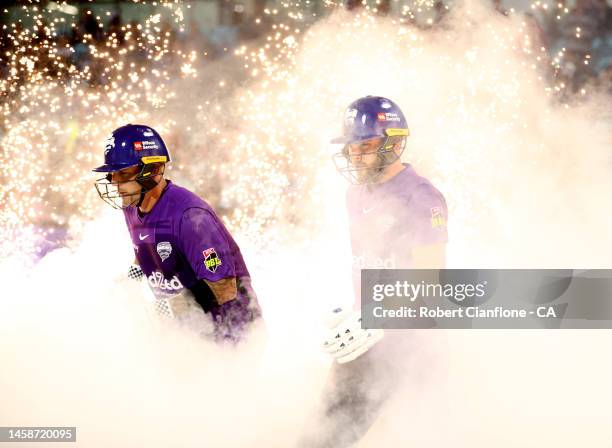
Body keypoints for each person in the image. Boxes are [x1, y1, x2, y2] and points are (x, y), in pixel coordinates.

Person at [299, 96, 448, 447]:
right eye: (352, 147)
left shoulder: (421, 197)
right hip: (364, 342)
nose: (355, 156)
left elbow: (430, 282)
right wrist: (357, 316)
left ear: (394, 143)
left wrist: (378, 318)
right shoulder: (355, 193)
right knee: (316, 438)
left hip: (407, 347)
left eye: (365, 145)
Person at [92, 124, 262, 342]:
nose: (114, 183)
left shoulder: (190, 218)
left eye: (123, 173)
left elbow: (226, 288)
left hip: (232, 334)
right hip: (188, 330)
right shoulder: (133, 205)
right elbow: (146, 244)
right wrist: (132, 279)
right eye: (112, 175)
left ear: (153, 170)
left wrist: (190, 311)